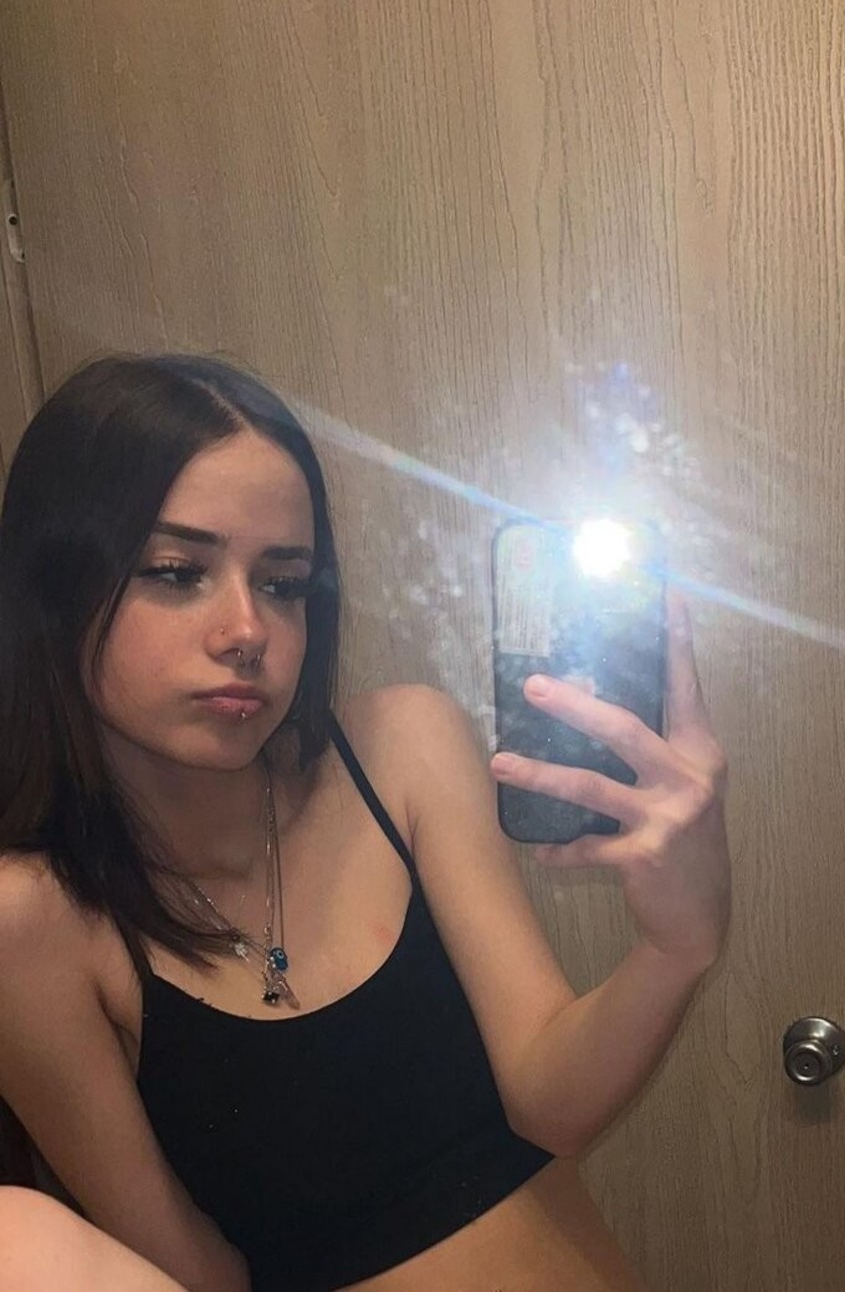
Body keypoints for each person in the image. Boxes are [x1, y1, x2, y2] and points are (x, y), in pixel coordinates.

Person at [0, 354, 732, 1291]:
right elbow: (193, 1275)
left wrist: (677, 946)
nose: (247, 630)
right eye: (178, 572)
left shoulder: (404, 747)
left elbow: (553, 1104)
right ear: (54, 589)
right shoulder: (33, 921)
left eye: (284, 583)